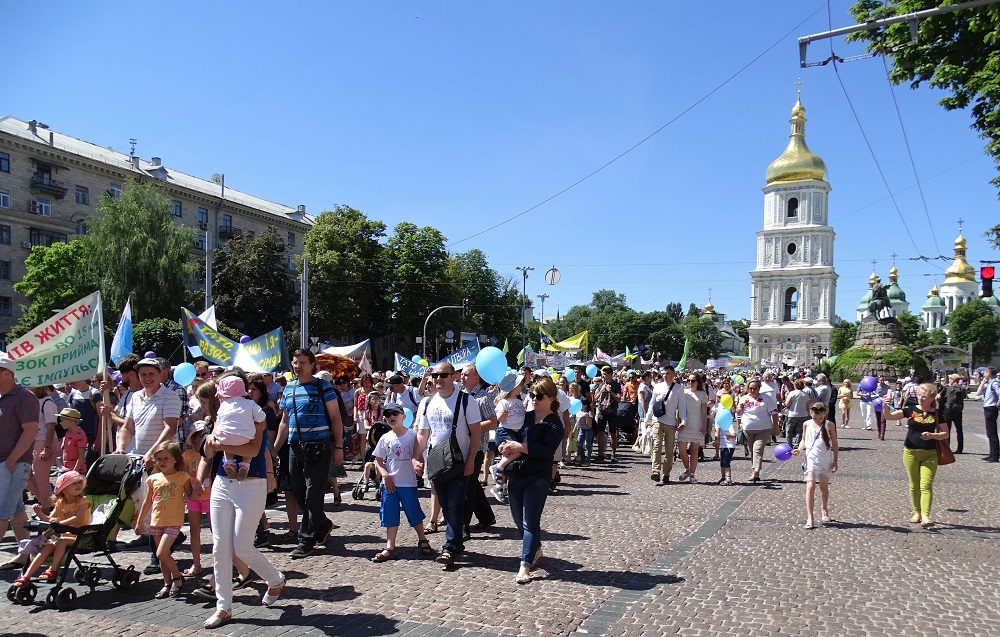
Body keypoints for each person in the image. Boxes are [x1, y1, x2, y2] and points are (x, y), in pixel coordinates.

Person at [199, 374, 286, 630]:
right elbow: (207, 450)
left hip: (251, 483)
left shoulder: (254, 415)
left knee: (243, 547)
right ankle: (223, 606)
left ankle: (275, 579)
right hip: (223, 483)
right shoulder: (222, 414)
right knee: (220, 547)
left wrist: (219, 443)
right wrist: (211, 441)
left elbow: (252, 450)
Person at [112, 356, 184, 575]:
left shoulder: (170, 397)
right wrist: (121, 447)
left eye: (151, 373)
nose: (147, 378)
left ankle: (156, 556)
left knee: (157, 510)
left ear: (161, 374)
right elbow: (128, 426)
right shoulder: (134, 397)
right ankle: (169, 540)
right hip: (139, 460)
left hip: (163, 461)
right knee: (142, 509)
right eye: (142, 374)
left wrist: (154, 453)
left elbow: (169, 428)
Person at [274, 348, 345, 559]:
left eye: (303, 362)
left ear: (312, 365)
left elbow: (335, 419)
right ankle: (322, 524)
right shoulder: (289, 389)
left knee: (312, 494)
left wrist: (339, 447)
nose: (298, 366)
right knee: (298, 493)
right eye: (296, 362)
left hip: (318, 446)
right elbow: (284, 422)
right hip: (295, 446)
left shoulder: (323, 387)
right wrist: (275, 450)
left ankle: (306, 540)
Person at [412, 361, 483, 568]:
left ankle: (450, 546)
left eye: (443, 375)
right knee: (444, 502)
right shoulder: (427, 403)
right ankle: (457, 542)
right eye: (435, 376)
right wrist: (416, 457)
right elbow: (423, 434)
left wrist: (471, 461)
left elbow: (476, 432)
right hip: (437, 462)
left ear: (454, 376)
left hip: (459, 462)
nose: (438, 379)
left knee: (455, 503)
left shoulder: (466, 401)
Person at [496, 377, 563, 584]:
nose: (534, 398)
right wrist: (504, 446)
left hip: (538, 476)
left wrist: (520, 447)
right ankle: (535, 549)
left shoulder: (554, 423)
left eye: (539, 396)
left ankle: (525, 565)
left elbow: (546, 451)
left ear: (551, 398)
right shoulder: (526, 416)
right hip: (517, 474)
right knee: (518, 520)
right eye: (532, 394)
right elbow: (507, 431)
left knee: (530, 522)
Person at [371, 403, 432, 561]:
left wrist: (419, 466)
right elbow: (378, 459)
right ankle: (390, 546)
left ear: (403, 416)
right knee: (390, 514)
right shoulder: (385, 438)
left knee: (413, 512)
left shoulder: (412, 435)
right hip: (390, 484)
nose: (391, 417)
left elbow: (419, 453)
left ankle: (422, 539)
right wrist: (385, 475)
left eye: (395, 414)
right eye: (388, 414)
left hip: (408, 483)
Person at [883, 383, 949, 526]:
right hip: (910, 452)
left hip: (930, 454)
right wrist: (884, 406)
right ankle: (916, 512)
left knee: (926, 485)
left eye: (923, 396)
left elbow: (945, 434)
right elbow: (889, 417)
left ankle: (925, 515)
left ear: (932, 397)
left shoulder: (938, 413)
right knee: (914, 484)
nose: (920, 398)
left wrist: (932, 435)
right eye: (919, 395)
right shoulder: (910, 409)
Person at [12, 471, 91, 588]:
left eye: (80, 482)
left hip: (78, 535)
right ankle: (26, 576)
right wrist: (39, 513)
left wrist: (60, 523)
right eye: (74, 483)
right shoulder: (60, 503)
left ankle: (52, 570)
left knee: (61, 541)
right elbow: (50, 519)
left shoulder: (83, 502)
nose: (78, 485)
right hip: (63, 534)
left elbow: (77, 517)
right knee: (48, 546)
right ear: (64, 489)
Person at [135, 441, 192, 598]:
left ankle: (178, 577)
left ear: (175, 459)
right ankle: (167, 583)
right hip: (157, 521)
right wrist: (140, 522)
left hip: (173, 520)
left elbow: (190, 495)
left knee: (161, 553)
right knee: (162, 555)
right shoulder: (154, 478)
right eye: (158, 459)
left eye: (166, 458)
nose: (162, 462)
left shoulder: (182, 477)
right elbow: (147, 501)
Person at [0, 353, 39, 559]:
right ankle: (26, 553)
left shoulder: (24, 397)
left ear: (6, 373)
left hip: (13, 463)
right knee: (15, 510)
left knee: (2, 511)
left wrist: (12, 460)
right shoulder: (2, 397)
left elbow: (30, 430)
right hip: (6, 463)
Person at [459, 365, 498, 538]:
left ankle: (462, 527)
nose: (462, 377)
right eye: (461, 374)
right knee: (472, 484)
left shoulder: (483, 398)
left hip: (476, 447)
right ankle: (486, 516)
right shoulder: (460, 394)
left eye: (466, 374)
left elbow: (493, 422)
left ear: (476, 378)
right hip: (460, 445)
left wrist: (471, 428)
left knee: (466, 488)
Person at [792, 403, 839, 529]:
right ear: (811, 414)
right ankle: (810, 517)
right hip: (811, 458)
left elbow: (834, 442)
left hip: (825, 458)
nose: (818, 420)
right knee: (810, 486)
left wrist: (835, 461)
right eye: (815, 418)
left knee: (823, 487)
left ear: (824, 414)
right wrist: (799, 449)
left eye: (820, 418)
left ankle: (824, 509)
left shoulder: (829, 424)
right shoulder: (806, 424)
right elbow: (803, 440)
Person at [213, 376, 265, 480]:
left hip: (224, 438)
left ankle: (229, 463)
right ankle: (245, 465)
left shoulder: (223, 405)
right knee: (249, 435)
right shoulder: (250, 404)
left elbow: (219, 419)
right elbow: (261, 417)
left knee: (228, 435)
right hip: (244, 438)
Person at [644, 367, 686, 483]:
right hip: (657, 420)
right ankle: (655, 471)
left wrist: (683, 421)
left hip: (671, 422)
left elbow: (681, 406)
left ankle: (666, 472)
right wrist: (647, 418)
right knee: (657, 446)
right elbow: (652, 403)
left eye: (667, 374)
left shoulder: (679, 389)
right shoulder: (658, 386)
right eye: (663, 374)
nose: (665, 376)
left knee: (669, 449)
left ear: (673, 375)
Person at [735, 379, 779, 483]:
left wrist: (776, 426)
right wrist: (739, 409)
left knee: (757, 449)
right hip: (748, 429)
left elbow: (774, 413)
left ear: (759, 388)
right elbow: (738, 412)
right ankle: (755, 471)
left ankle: (756, 472)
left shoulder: (766, 398)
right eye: (750, 388)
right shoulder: (744, 398)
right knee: (752, 451)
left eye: (755, 388)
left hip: (763, 429)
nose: (752, 390)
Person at [492, 371, 526, 501]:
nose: (522, 386)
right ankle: (497, 468)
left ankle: (500, 486)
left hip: (515, 433)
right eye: (520, 384)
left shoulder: (518, 401)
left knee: (509, 457)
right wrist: (503, 415)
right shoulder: (503, 402)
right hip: (505, 431)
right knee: (516, 452)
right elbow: (498, 419)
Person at [182, 421, 211, 577]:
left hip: (210, 495)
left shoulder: (209, 453)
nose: (201, 439)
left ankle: (225, 560)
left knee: (216, 531)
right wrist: (186, 494)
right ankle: (196, 563)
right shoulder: (187, 455)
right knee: (194, 531)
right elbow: (185, 476)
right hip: (194, 497)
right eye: (198, 436)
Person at [27, 386, 58, 511]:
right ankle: (49, 505)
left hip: (43, 441)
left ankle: (46, 510)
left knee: (40, 478)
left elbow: (51, 427)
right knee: (26, 477)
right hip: (31, 442)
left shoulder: (47, 402)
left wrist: (47, 447)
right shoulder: (30, 400)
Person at [677, 374, 708, 483]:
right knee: (681, 448)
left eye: (693, 381)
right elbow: (678, 408)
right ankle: (687, 469)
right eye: (688, 380)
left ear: (698, 382)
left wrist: (704, 426)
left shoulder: (702, 394)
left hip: (697, 423)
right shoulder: (683, 392)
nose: (690, 382)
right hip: (685, 423)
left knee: (694, 449)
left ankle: (692, 474)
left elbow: (704, 411)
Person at [591, 367, 622, 462]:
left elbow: (619, 399)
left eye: (605, 374)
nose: (603, 376)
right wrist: (600, 391)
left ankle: (613, 454)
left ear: (610, 374)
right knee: (600, 432)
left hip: (612, 411)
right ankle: (600, 454)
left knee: (613, 433)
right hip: (601, 411)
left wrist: (610, 391)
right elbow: (595, 399)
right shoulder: (601, 385)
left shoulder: (616, 385)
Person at [974, 366, 999, 463]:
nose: (983, 373)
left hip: (991, 408)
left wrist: (998, 404)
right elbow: (978, 393)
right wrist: (983, 382)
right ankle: (992, 454)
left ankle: (994, 456)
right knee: (989, 432)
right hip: (987, 407)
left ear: (989, 373)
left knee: (992, 433)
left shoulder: (995, 383)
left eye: (985, 372)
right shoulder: (989, 383)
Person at [57, 408, 88, 474]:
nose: (60, 423)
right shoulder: (68, 433)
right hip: (65, 469)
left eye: (62, 420)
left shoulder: (80, 435)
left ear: (71, 421)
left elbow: (81, 456)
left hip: (77, 470)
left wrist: (75, 472)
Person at [943, 374, 966, 453]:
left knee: (947, 429)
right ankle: (960, 448)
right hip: (958, 410)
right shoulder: (962, 388)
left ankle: (947, 447)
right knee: (959, 430)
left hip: (949, 410)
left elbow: (946, 397)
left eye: (950, 379)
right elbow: (964, 397)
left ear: (953, 380)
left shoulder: (950, 388)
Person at [784, 379, 811, 447]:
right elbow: (808, 405)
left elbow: (787, 404)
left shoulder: (792, 393)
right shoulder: (806, 394)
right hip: (803, 414)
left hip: (792, 414)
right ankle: (797, 444)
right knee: (800, 431)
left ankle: (789, 443)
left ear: (795, 385)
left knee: (789, 430)